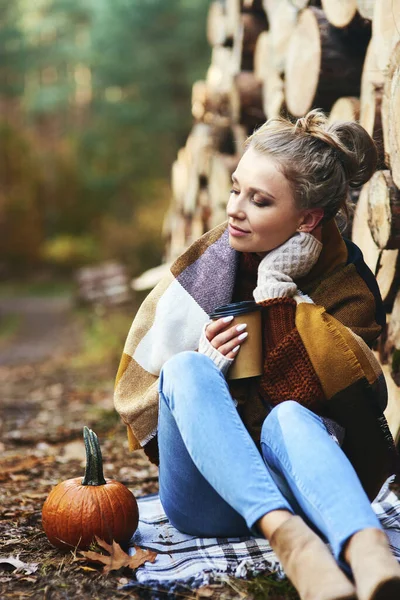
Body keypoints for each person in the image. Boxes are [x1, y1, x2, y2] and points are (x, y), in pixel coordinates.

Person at [114, 109, 400, 600]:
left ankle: (367, 549)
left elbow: (342, 410)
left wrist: (278, 296)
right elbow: (146, 395)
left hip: (304, 487)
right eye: (235, 189)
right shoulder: (207, 262)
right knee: (186, 368)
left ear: (308, 218)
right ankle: (293, 544)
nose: (235, 210)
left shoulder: (346, 289)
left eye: (260, 200)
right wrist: (210, 371)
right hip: (205, 497)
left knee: (290, 414)